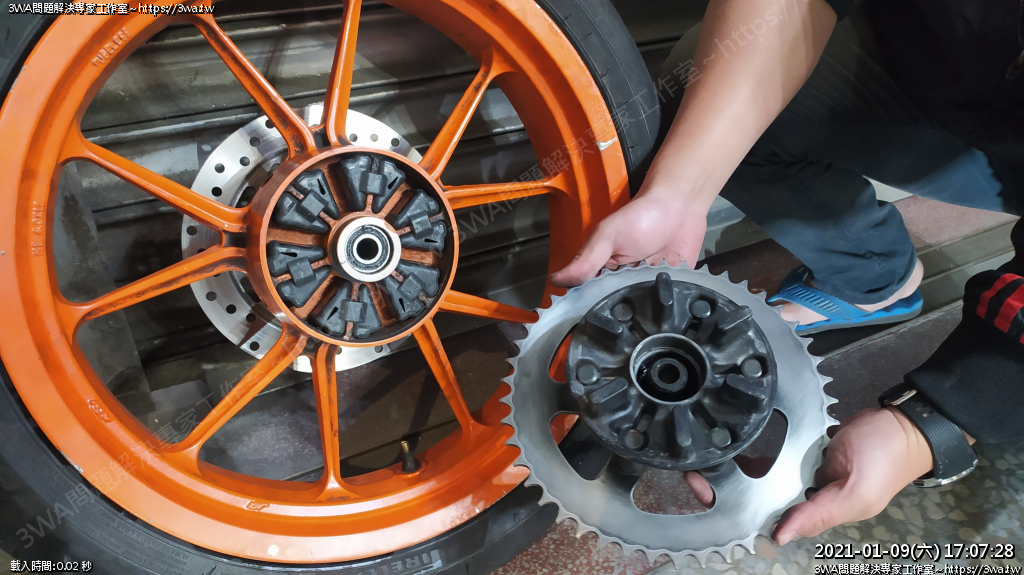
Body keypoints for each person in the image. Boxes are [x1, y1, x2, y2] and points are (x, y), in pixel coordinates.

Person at [549, 0, 1024, 545]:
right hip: (941, 51)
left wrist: (936, 421)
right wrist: (681, 189)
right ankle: (876, 279)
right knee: (705, 111)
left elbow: (948, 413)